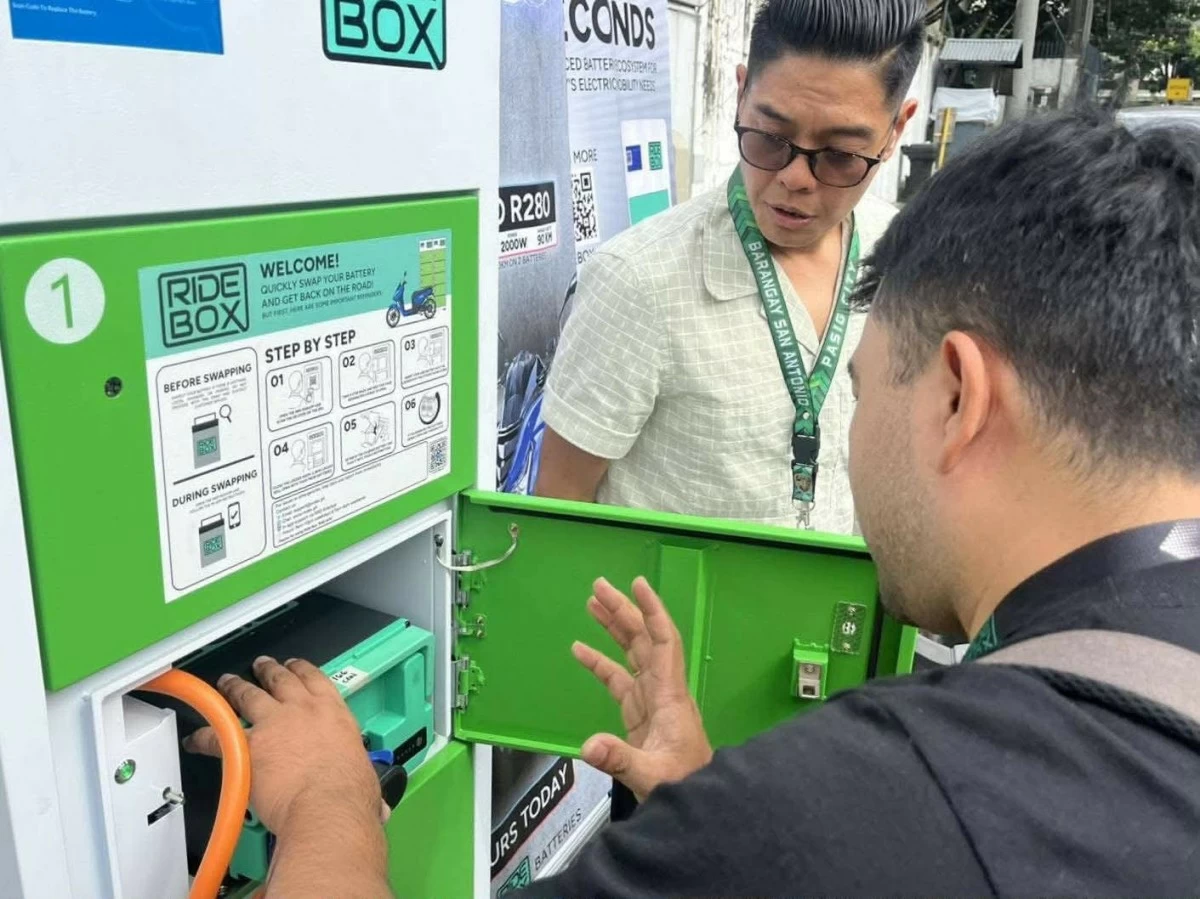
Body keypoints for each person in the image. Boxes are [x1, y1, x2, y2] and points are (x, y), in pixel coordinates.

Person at [188, 110, 1200, 896]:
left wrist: (328, 800)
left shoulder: (873, 798)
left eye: (858, 388)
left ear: (956, 395)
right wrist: (698, 801)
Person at [536, 0, 922, 536]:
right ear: (740, 96)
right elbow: (560, 508)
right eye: (770, 138)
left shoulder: (904, 254)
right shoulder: (638, 281)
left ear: (895, 130)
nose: (795, 178)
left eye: (839, 155)